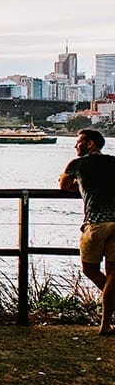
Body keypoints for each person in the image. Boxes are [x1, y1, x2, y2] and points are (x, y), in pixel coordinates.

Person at [59, 128, 115, 335]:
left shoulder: (77, 164)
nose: (75, 146)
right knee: (113, 274)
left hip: (96, 223)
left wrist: (80, 184)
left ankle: (106, 322)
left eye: (79, 142)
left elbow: (64, 185)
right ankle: (105, 324)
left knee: (90, 269)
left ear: (90, 144)